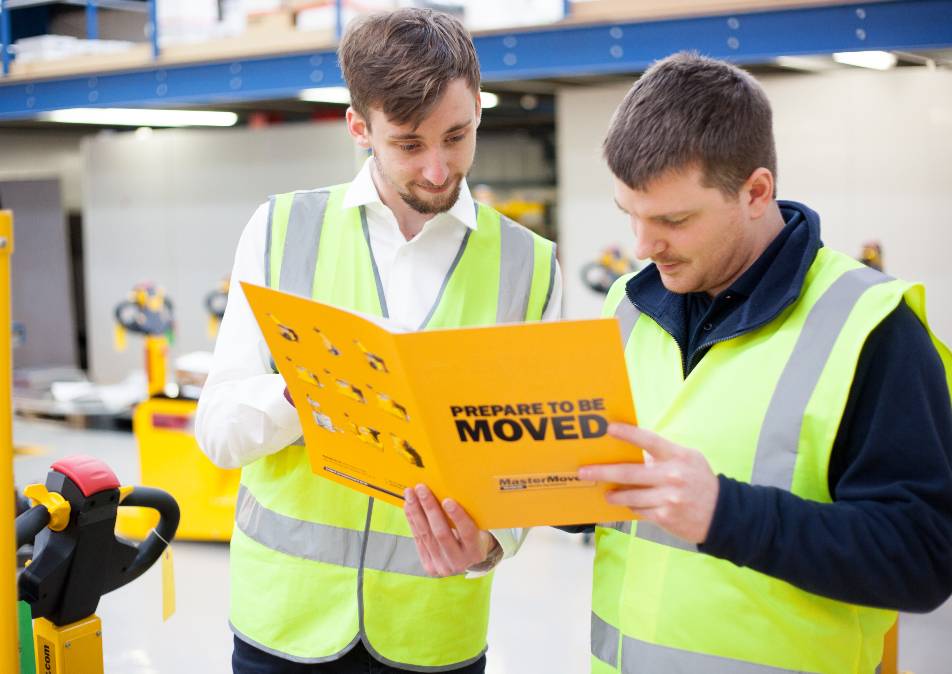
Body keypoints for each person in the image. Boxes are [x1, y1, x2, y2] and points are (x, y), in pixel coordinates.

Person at [405, 52, 952, 673]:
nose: (642, 245)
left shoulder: (870, 329)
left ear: (755, 192)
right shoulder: (630, 303)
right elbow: (601, 494)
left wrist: (725, 514)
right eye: (630, 215)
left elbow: (924, 559)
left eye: (673, 220)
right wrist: (490, 527)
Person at [195, 8, 561, 673]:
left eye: (457, 136)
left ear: (479, 109)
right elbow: (219, 433)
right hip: (283, 626)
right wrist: (317, 384)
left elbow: (530, 465)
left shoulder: (530, 267)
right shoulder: (281, 229)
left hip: (435, 632)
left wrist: (492, 543)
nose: (437, 169)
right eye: (409, 144)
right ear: (360, 129)